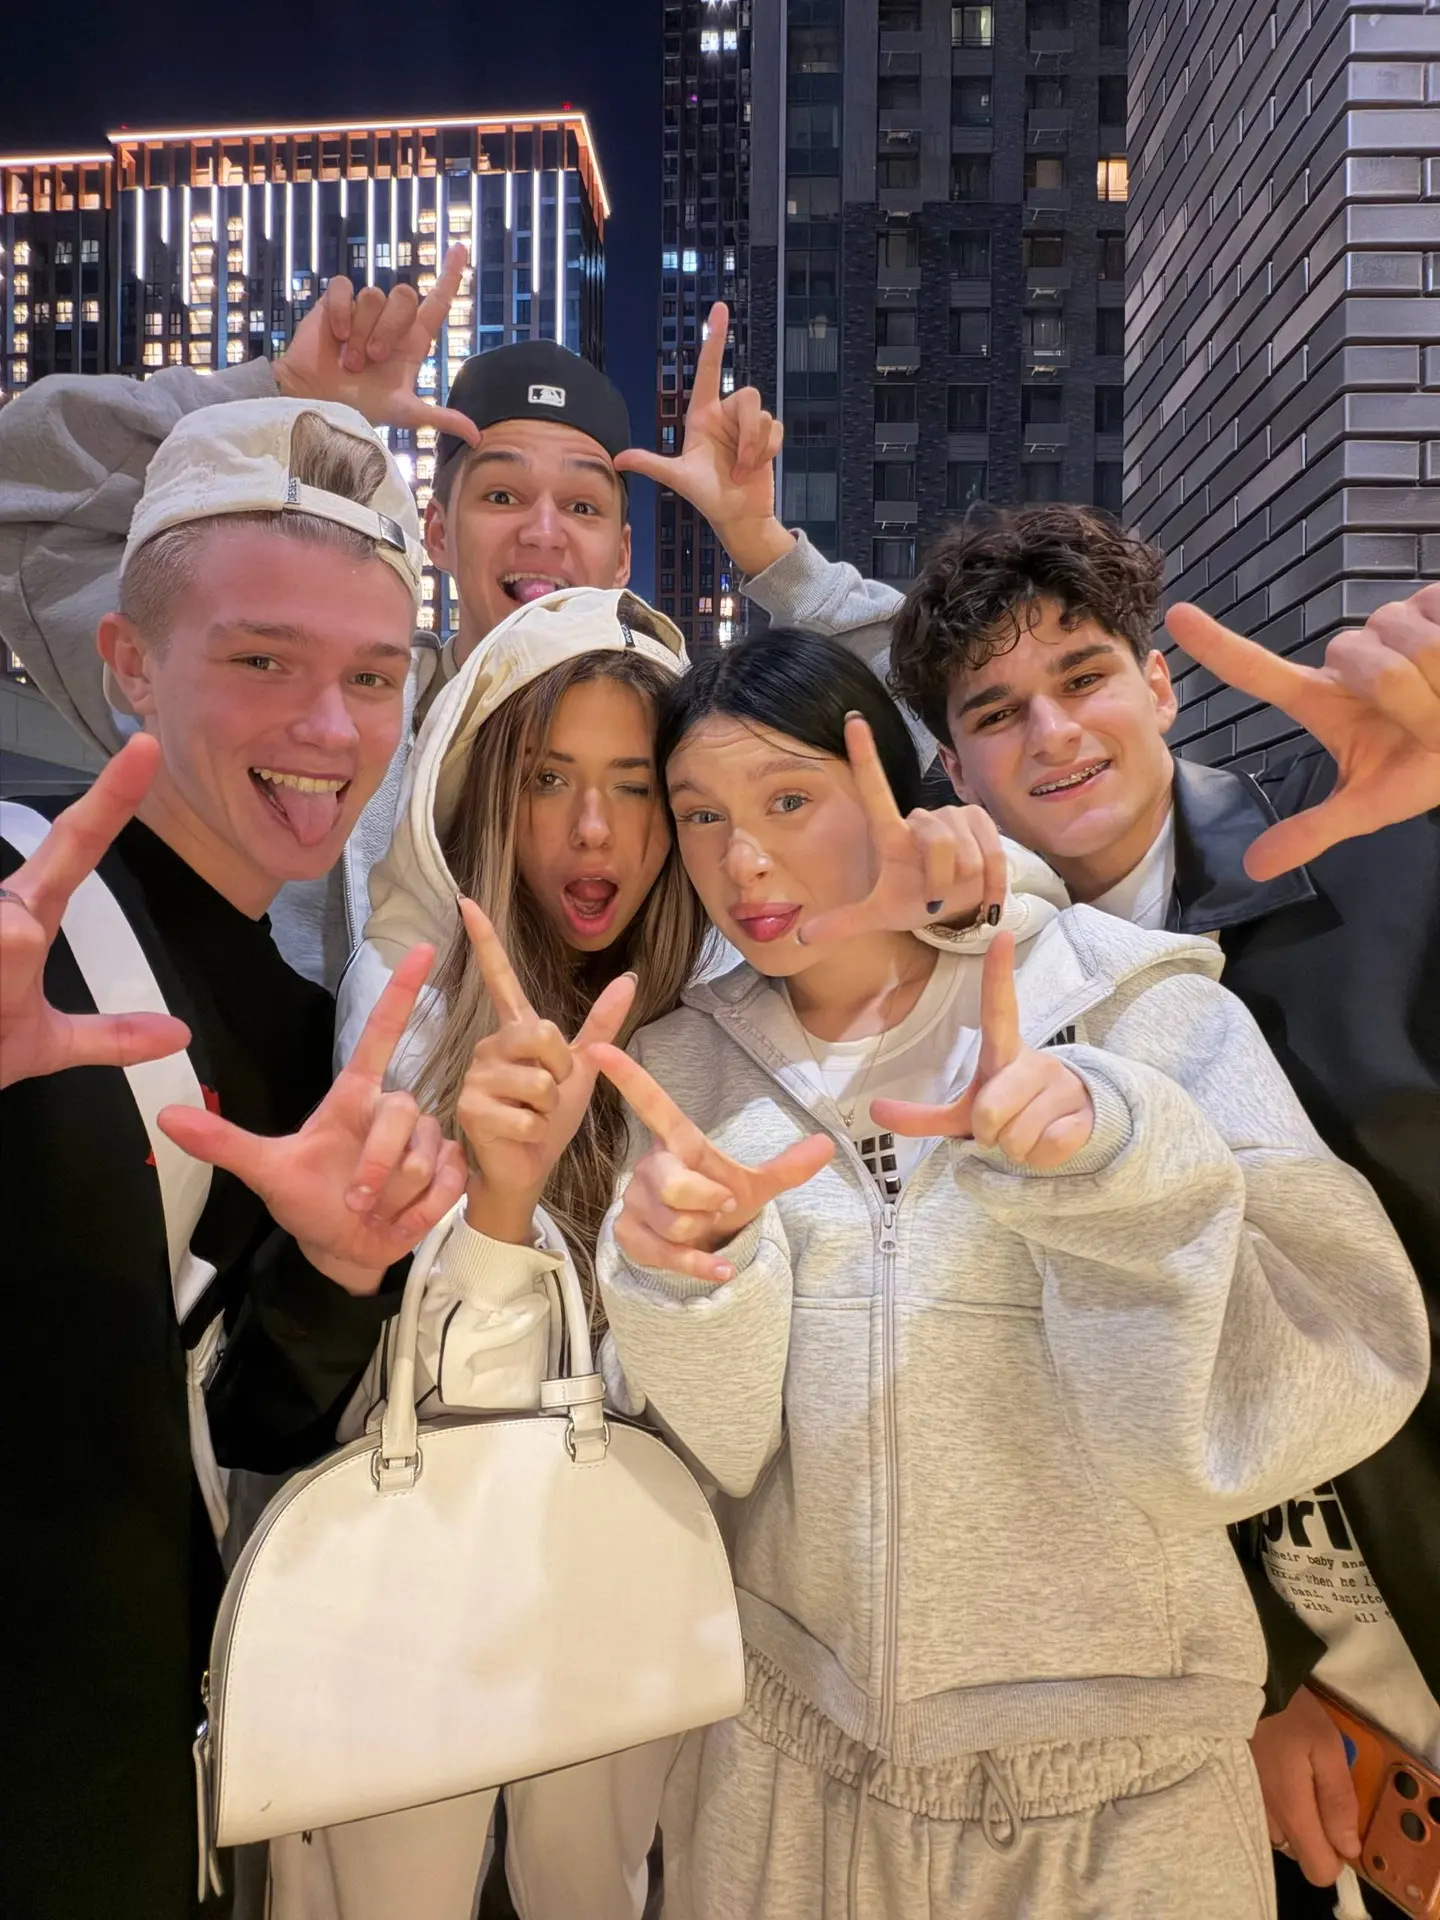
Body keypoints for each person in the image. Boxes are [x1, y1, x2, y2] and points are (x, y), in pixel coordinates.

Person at [583, 626, 1427, 1920]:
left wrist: (1117, 1164)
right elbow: (721, 1455)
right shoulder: (682, 1068)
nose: (741, 860)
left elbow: (1338, 1359)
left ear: (900, 792)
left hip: (1121, 1802)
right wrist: (690, 1280)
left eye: (789, 800)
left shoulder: (1133, 1007)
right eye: (701, 816)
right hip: (787, 1778)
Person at [0, 396, 469, 1920]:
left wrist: (340, 1266)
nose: (329, 730)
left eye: (373, 676)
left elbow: (242, 1420)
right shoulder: (18, 905)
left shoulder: (311, 1028)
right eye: (262, 661)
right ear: (130, 663)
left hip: (153, 1795)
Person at [0, 261, 777, 992]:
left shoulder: (681, 740)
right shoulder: (307, 708)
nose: (543, 533)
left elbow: (849, 770)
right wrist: (282, 393)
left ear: (622, 556)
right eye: (501, 496)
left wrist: (770, 552)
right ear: (435, 532)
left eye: (582, 506)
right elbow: (23, 492)